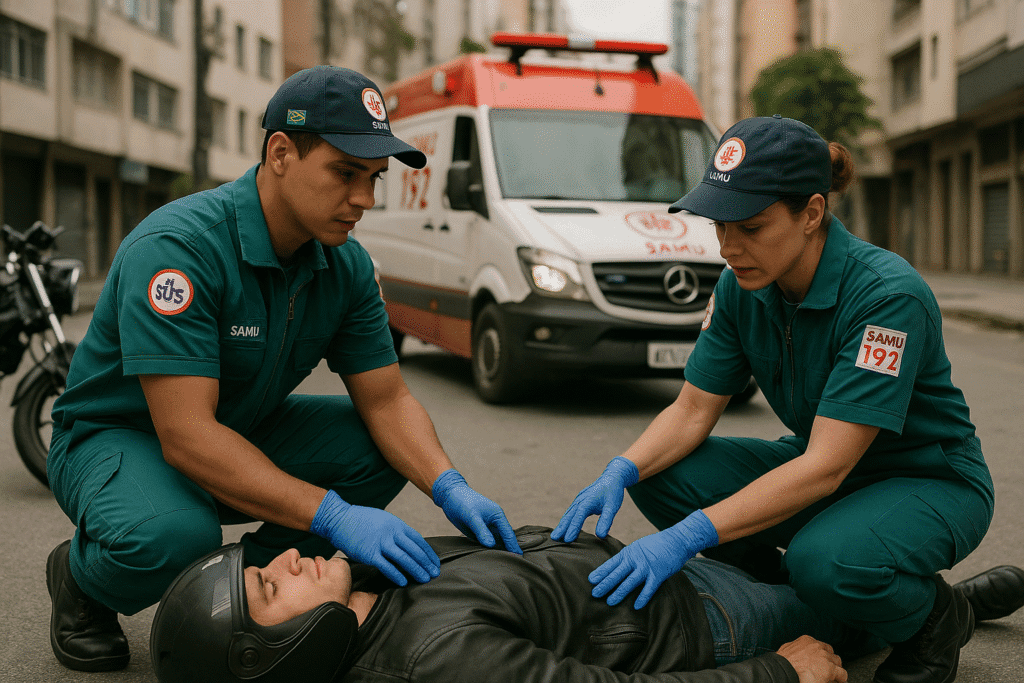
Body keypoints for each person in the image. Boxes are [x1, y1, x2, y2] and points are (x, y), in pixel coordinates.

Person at [44, 65, 521, 673]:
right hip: (119, 439)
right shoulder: (181, 250)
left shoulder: (343, 265)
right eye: (345, 173)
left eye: (374, 178)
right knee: (170, 537)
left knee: (375, 449)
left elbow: (387, 401)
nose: (364, 200)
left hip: (235, 426)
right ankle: (83, 582)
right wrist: (332, 515)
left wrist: (451, 487)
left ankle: (262, 585)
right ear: (280, 153)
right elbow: (186, 435)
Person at [551, 115, 998, 683]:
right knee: (662, 476)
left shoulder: (886, 297)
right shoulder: (742, 285)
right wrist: (620, 469)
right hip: (823, 465)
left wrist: (689, 537)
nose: (729, 246)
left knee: (827, 561)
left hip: (925, 479)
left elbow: (826, 466)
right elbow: (691, 410)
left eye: (751, 227)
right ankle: (808, 601)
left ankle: (938, 617)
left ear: (811, 214)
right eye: (719, 225)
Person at [149, 527, 1024, 683]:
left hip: (648, 570)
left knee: (809, 555)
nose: (289, 558)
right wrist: (774, 671)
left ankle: (934, 605)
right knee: (838, 602)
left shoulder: (371, 589)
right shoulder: (433, 661)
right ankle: (951, 610)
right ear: (280, 651)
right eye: (272, 586)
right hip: (701, 623)